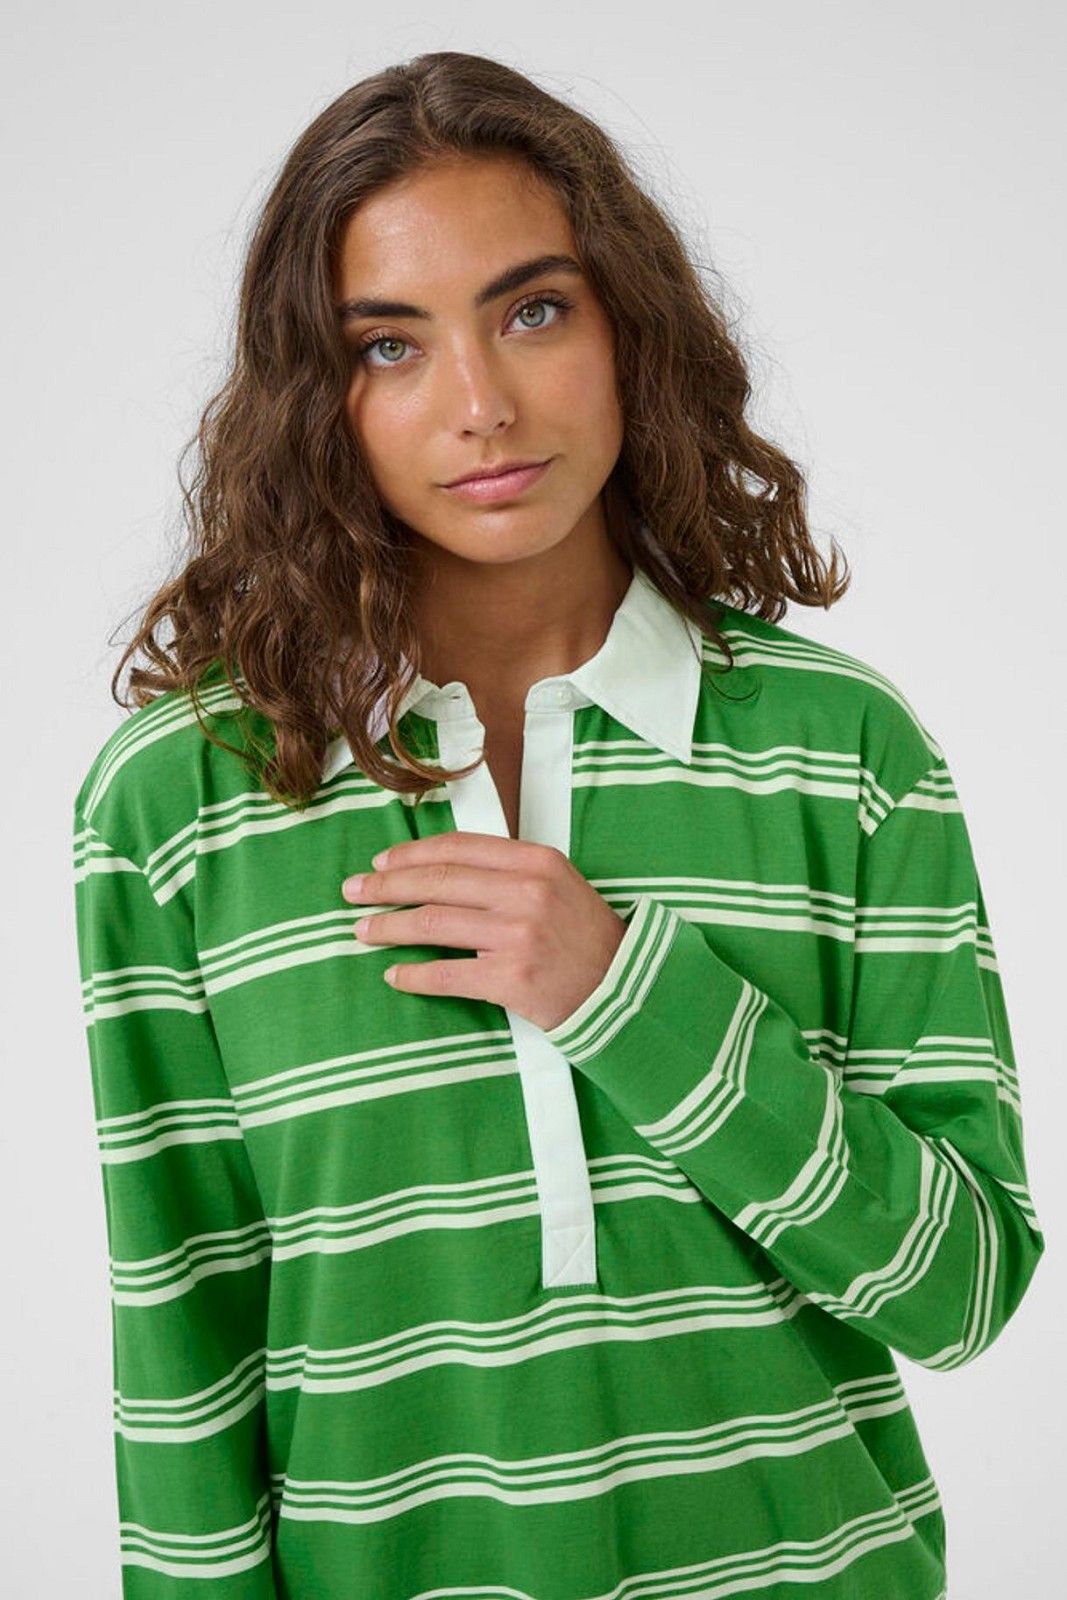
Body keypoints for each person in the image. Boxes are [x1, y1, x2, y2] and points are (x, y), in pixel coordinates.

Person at [72, 49, 1043, 1600]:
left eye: (533, 311)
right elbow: (183, 1354)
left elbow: (965, 1289)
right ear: (318, 398)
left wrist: (625, 995)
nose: (481, 405)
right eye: (390, 345)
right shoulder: (180, 803)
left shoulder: (842, 752)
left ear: (630, 325)